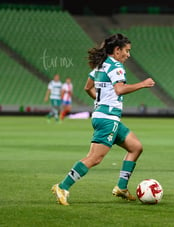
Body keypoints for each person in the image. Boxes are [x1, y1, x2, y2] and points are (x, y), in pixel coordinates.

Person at [51, 33, 155, 206]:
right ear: (117, 50)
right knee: (94, 158)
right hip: (108, 119)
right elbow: (120, 89)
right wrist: (142, 84)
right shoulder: (115, 66)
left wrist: (101, 104)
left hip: (104, 117)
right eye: (127, 51)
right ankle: (62, 186)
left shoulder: (101, 65)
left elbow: (87, 87)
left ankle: (121, 187)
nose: (128, 55)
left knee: (136, 147)